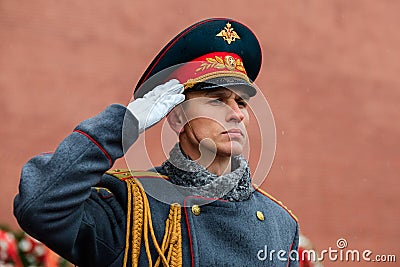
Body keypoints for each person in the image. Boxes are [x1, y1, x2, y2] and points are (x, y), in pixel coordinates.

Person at [14, 18, 299, 267]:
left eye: (241, 102)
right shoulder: (132, 206)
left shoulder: (280, 223)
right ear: (175, 118)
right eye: (216, 100)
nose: (236, 114)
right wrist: (124, 124)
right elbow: (39, 204)